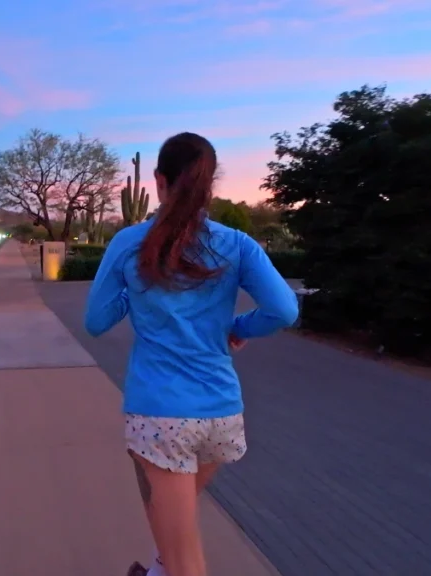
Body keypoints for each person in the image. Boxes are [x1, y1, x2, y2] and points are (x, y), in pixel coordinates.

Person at [84, 132, 299, 576]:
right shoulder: (237, 243)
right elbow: (283, 309)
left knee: (187, 558)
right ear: (209, 184)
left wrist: (134, 290)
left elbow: (96, 320)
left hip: (160, 415)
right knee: (167, 514)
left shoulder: (130, 242)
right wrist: (239, 327)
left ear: (158, 181)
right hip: (221, 414)